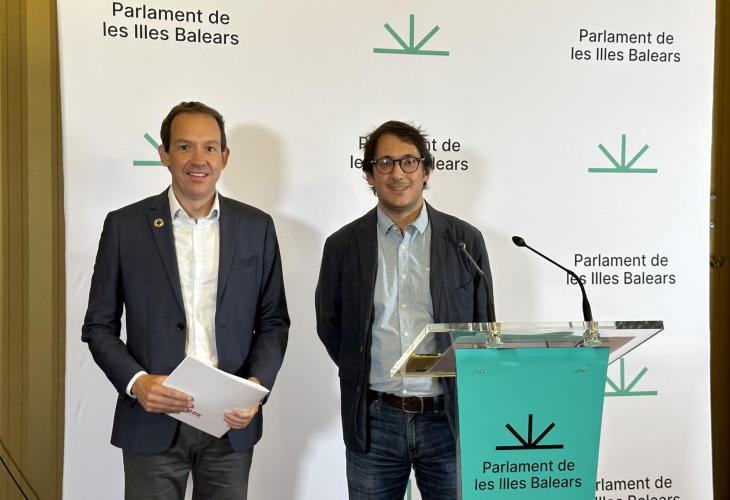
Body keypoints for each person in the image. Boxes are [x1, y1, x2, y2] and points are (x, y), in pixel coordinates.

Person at [82, 101, 289, 500]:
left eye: (210, 147)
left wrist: (256, 387)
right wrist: (138, 383)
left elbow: (273, 321)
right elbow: (98, 326)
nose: (198, 159)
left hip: (230, 422)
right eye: (184, 147)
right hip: (151, 418)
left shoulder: (256, 227)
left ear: (224, 157)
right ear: (164, 154)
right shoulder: (125, 226)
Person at [315, 120, 493, 499]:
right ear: (369, 175)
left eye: (409, 162)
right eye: (385, 163)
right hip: (375, 418)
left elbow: (484, 326)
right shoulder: (342, 245)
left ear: (426, 171)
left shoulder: (464, 241)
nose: (398, 173)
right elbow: (331, 325)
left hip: (448, 419)